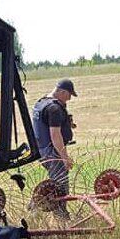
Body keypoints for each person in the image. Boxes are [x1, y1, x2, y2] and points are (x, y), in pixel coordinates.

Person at [31, 79, 78, 219]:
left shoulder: (41, 102)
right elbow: (55, 135)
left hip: (41, 149)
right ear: (62, 92)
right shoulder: (54, 108)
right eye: (69, 95)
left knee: (54, 182)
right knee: (61, 185)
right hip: (52, 151)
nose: (69, 99)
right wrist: (64, 157)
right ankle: (61, 217)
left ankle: (34, 209)